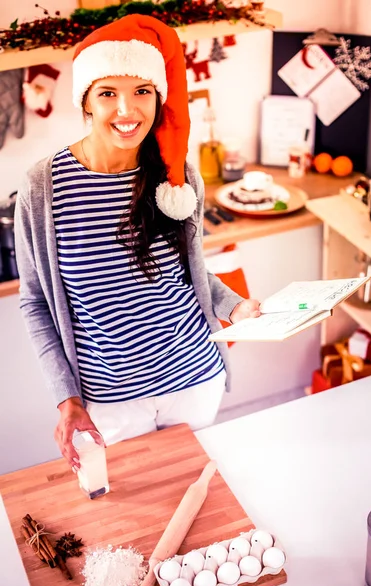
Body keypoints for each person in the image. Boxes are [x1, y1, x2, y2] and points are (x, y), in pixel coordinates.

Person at [15, 14, 260, 469]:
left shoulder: (177, 175)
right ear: (86, 100)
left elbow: (189, 270)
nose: (127, 111)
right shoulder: (42, 188)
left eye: (141, 91)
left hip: (195, 378)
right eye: (108, 93)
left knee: (203, 501)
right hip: (111, 402)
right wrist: (66, 399)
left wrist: (234, 307)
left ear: (158, 96)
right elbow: (34, 303)